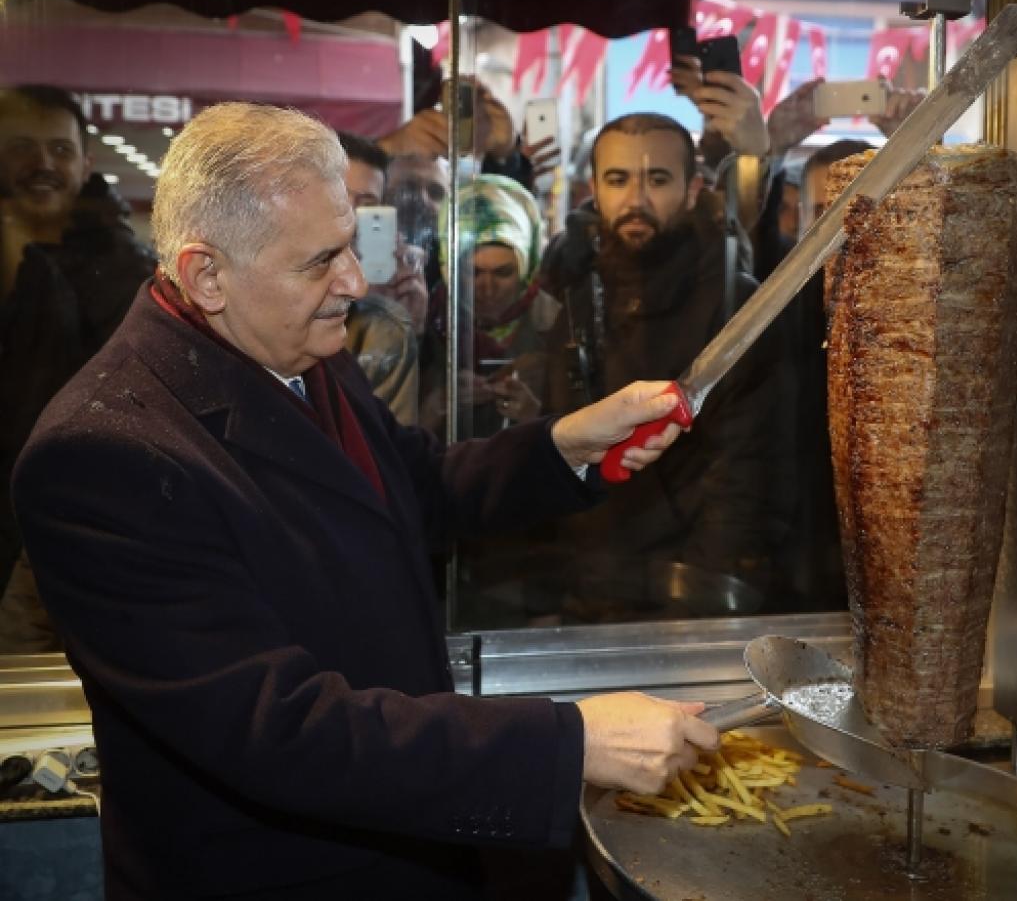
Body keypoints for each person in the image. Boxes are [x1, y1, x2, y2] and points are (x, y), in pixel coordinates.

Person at [10, 102, 719, 900]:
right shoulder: (102, 457)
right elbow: (278, 729)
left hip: (405, 841)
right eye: (321, 261)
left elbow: (409, 485)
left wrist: (564, 448)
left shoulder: (287, 337)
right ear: (206, 273)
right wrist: (568, 743)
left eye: (349, 242)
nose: (355, 280)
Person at [539, 113, 795, 617]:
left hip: (689, 595)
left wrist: (702, 601)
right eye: (619, 179)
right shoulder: (572, 295)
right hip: (587, 589)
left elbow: (745, 471)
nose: (636, 200)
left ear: (693, 188)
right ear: (594, 188)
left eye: (657, 179)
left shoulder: (730, 304)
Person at [0, 84, 155, 647]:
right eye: (22, 147)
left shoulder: (128, 276)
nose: (42, 164)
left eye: (59, 150)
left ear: (87, 163)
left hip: (80, 529)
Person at [440, 174, 558, 439]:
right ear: (453, 270)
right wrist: (440, 403)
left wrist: (535, 416)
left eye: (503, 273)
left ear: (526, 269)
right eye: (474, 272)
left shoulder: (556, 324)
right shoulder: (433, 320)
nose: (487, 288)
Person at [337, 131, 428, 426]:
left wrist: (412, 333)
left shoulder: (385, 318)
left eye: (366, 203)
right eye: (339, 196)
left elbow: (396, 442)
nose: (351, 214)